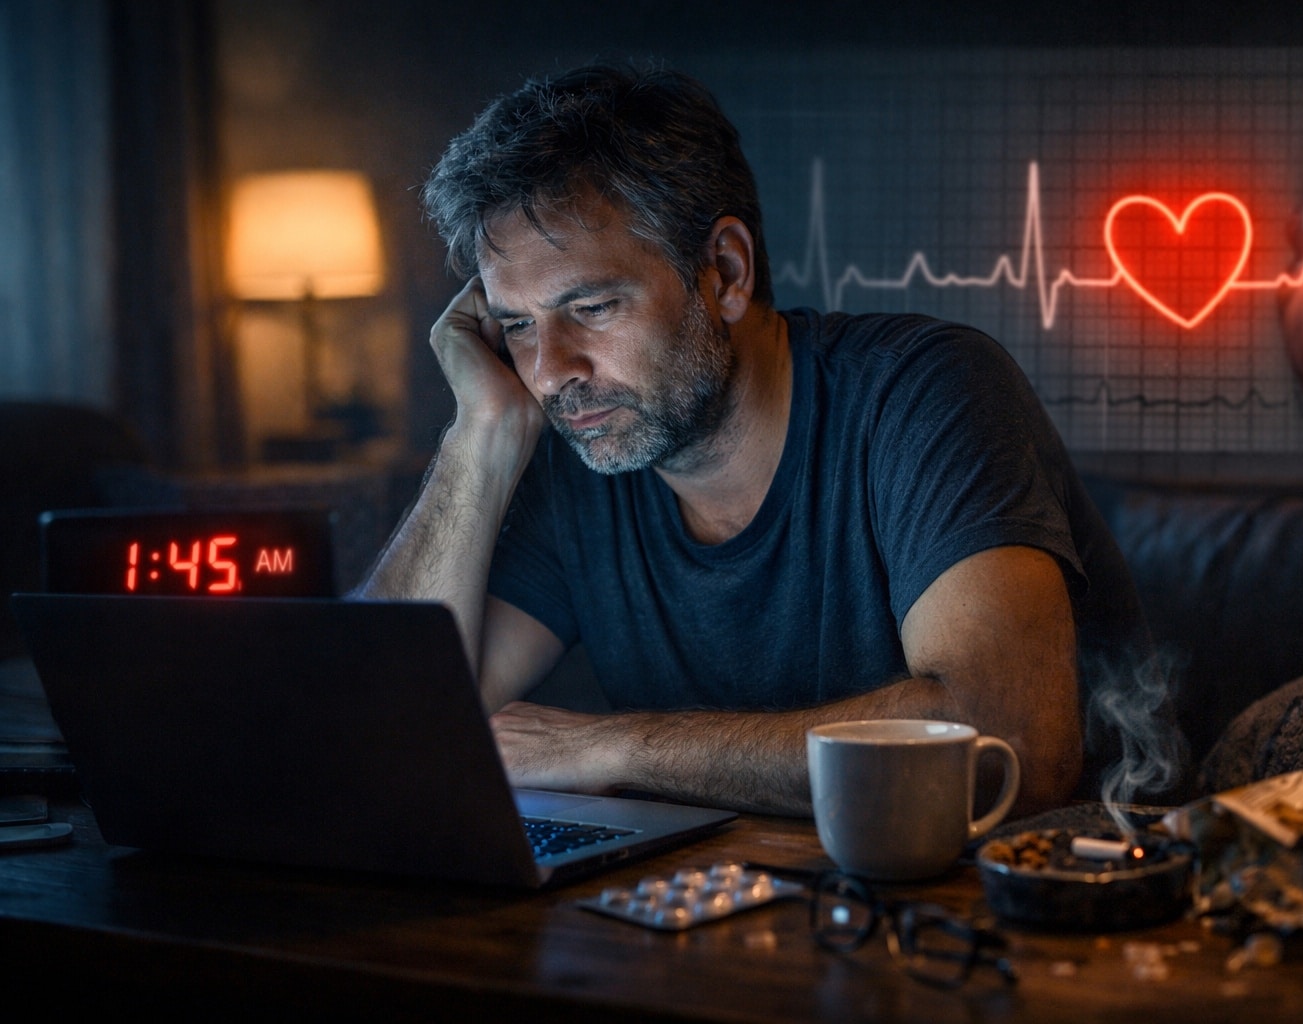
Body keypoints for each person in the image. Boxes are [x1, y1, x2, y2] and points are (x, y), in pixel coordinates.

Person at [359, 61, 1159, 818]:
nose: (550, 371)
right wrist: (480, 434)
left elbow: (1005, 744)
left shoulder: (923, 394)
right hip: (739, 914)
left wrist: (614, 748)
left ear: (727, 273)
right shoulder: (581, 445)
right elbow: (378, 726)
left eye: (593, 308)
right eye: (516, 326)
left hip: (1057, 910)